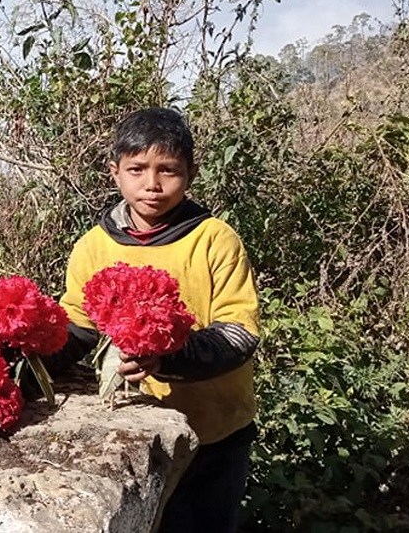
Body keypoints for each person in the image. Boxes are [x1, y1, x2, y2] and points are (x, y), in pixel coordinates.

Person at [51, 107, 260, 533]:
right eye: (137, 169)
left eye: (168, 170)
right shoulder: (93, 246)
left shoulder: (214, 239)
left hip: (215, 434)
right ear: (114, 172)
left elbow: (239, 332)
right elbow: (78, 324)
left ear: (191, 174)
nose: (152, 184)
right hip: (134, 435)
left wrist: (168, 356)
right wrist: (27, 358)